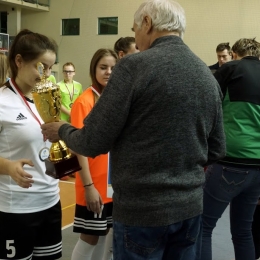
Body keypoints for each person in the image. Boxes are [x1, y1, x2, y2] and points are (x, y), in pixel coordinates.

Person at [41, 0, 226, 259]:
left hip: (142, 212)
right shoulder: (206, 75)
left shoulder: (133, 67)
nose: (136, 40)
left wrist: (62, 130)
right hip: (190, 210)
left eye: (135, 29)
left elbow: (92, 141)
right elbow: (217, 147)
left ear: (148, 23)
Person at [0, 29, 62, 259]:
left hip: (50, 201)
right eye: (41, 66)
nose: (47, 74)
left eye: (50, 68)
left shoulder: (48, 97)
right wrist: (8, 167)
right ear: (19, 61)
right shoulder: (2, 102)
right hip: (16, 209)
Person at [200, 38, 260, 260]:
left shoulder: (231, 69)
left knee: (203, 226)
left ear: (234, 53)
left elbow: (207, 106)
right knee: (244, 232)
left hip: (232, 162)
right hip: (257, 167)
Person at [70, 48, 117, 260]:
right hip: (93, 185)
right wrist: (89, 187)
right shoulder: (84, 101)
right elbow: (78, 148)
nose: (108, 72)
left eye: (113, 68)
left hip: (110, 185)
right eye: (103, 67)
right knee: (89, 237)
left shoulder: (114, 100)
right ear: (93, 69)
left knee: (104, 233)